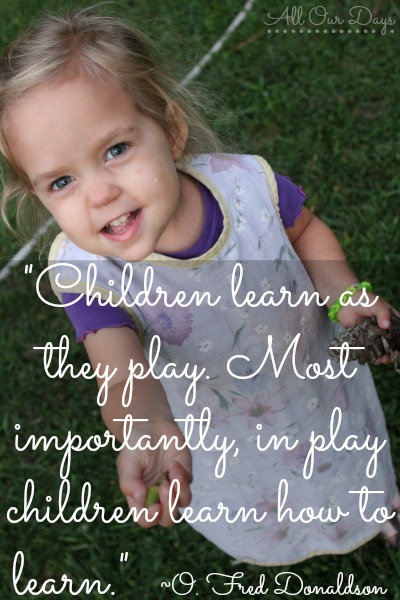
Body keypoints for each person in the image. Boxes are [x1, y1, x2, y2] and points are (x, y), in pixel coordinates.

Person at [0, 9, 399, 565]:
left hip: (315, 386)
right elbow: (120, 371)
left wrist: (345, 292)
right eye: (62, 181)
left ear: (170, 127)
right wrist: (144, 428)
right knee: (268, 498)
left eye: (116, 150)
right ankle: (284, 539)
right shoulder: (90, 273)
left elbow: (304, 232)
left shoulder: (247, 187)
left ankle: (379, 507)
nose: (99, 194)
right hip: (227, 437)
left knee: (346, 457)